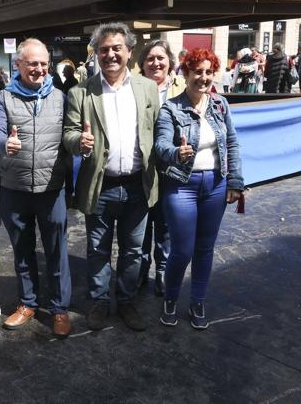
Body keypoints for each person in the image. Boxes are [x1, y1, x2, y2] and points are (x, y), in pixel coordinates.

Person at [64, 22, 160, 332]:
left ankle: (127, 300)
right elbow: (68, 133)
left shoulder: (147, 88)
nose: (110, 55)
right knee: (98, 249)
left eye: (117, 48)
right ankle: (100, 301)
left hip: (137, 184)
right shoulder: (81, 91)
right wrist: (79, 142)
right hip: (100, 185)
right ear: (96, 54)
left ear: (129, 52)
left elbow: (157, 129)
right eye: (104, 49)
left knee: (133, 250)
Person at [154, 48, 244, 329]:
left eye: (208, 72)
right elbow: (160, 145)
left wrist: (236, 182)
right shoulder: (171, 108)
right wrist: (175, 153)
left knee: (205, 249)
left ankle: (197, 301)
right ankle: (170, 298)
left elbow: (231, 143)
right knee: (182, 249)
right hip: (182, 185)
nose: (203, 78)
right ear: (186, 73)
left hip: (216, 185)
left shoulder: (220, 105)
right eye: (197, 72)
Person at [0, 38, 71, 338]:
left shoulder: (61, 98)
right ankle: (28, 303)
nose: (38, 69)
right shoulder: (3, 98)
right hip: (15, 187)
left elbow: (71, 136)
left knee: (56, 250)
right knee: (22, 250)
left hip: (52, 188)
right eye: (31, 63)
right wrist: (4, 143)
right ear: (18, 65)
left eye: (42, 63)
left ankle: (60, 308)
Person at [136, 39, 185, 296]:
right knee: (141, 225)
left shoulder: (182, 88)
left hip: (170, 169)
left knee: (164, 226)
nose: (156, 63)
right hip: (141, 169)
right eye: (150, 59)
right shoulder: (132, 88)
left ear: (170, 62)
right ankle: (141, 270)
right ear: (142, 64)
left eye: (161, 58)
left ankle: (163, 271)